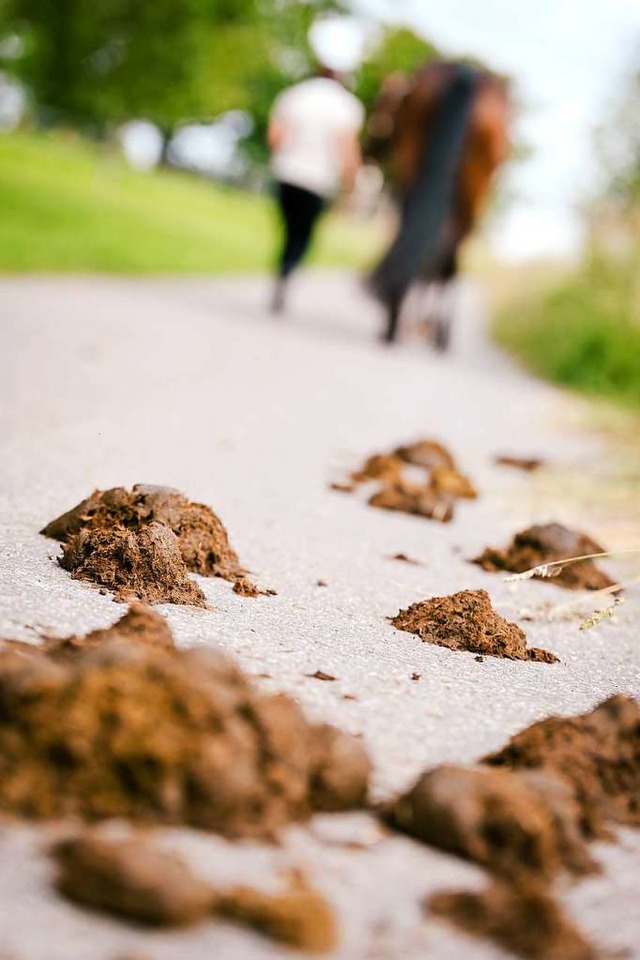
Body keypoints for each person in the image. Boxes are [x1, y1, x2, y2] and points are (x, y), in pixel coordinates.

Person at [367, 61, 510, 346]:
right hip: (458, 217)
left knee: (415, 206)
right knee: (458, 227)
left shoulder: (418, 85)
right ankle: (440, 307)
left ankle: (396, 299)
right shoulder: (497, 100)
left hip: (410, 180)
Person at [268, 67, 365, 313]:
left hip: (287, 174)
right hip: (318, 182)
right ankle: (289, 270)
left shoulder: (293, 95)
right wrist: (350, 183)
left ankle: (282, 267)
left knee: (289, 229)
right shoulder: (347, 106)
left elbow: (275, 139)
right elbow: (346, 148)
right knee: (304, 235)